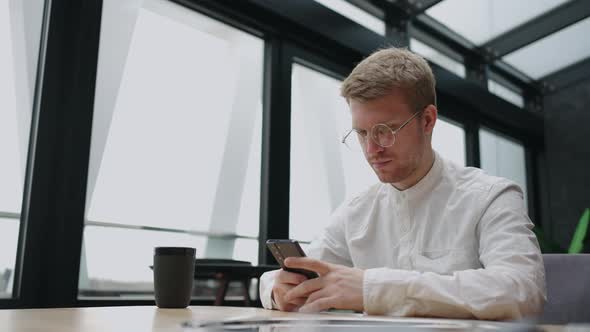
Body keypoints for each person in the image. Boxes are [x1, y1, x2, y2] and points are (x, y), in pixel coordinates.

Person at [259, 47, 546, 320]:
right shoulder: (356, 212)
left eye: (386, 130)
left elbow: (522, 290)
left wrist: (373, 288)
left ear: (428, 120)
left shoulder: (491, 197)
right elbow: (298, 272)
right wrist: (278, 288)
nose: (372, 149)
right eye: (361, 133)